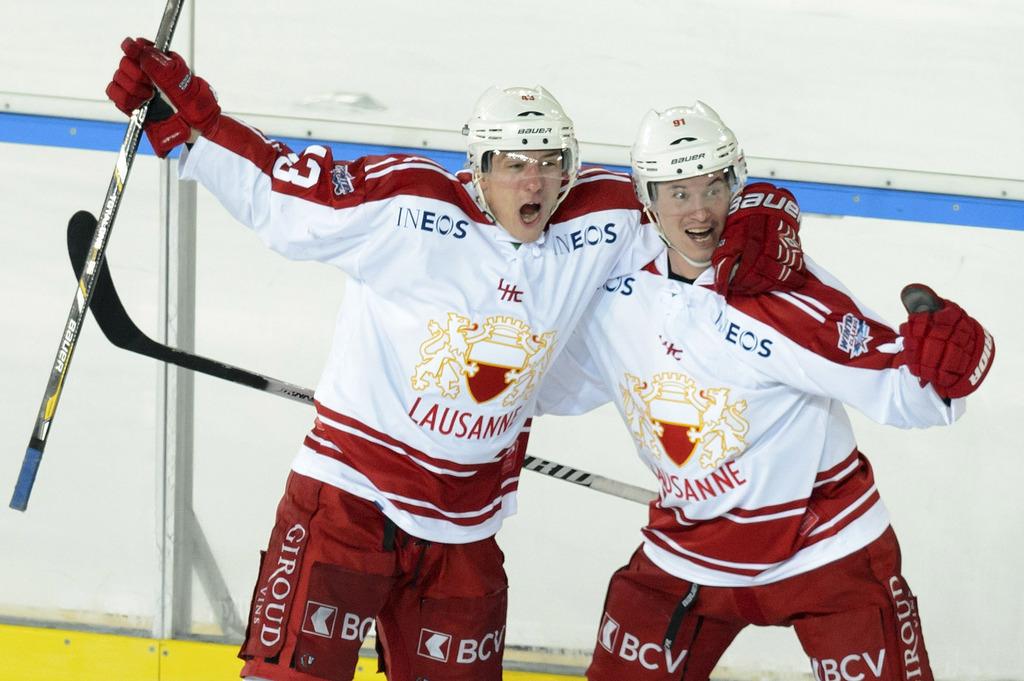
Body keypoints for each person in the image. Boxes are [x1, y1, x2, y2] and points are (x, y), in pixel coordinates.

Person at [105, 40, 808, 681]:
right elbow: (285, 194)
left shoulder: (603, 221)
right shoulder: (412, 211)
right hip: (349, 504)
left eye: (548, 164)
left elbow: (695, 195)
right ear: (478, 168)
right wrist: (192, 128)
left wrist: (770, 214)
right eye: (512, 164)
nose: (532, 183)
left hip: (464, 533)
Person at [537, 102, 995, 680]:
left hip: (826, 546)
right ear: (646, 199)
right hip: (692, 548)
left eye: (714, 187)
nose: (700, 209)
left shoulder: (779, 294)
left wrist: (946, 361)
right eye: (678, 193)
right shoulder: (614, 285)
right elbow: (557, 382)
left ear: (738, 184)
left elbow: (907, 390)